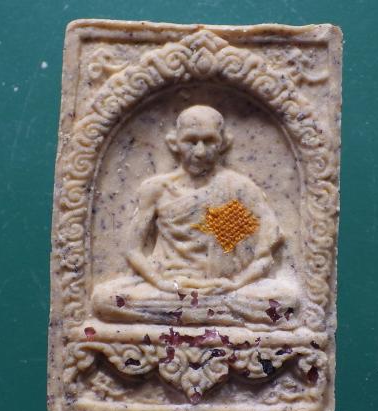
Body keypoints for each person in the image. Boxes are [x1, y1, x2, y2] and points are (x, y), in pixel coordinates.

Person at [92, 105, 301, 326]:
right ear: (174, 143)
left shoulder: (237, 187)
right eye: (191, 141)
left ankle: (190, 315)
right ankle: (213, 315)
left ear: (223, 143)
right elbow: (132, 250)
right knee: (105, 300)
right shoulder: (156, 189)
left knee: (286, 301)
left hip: (223, 289)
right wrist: (160, 283)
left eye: (209, 141)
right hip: (170, 288)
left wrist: (236, 283)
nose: (200, 152)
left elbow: (264, 256)